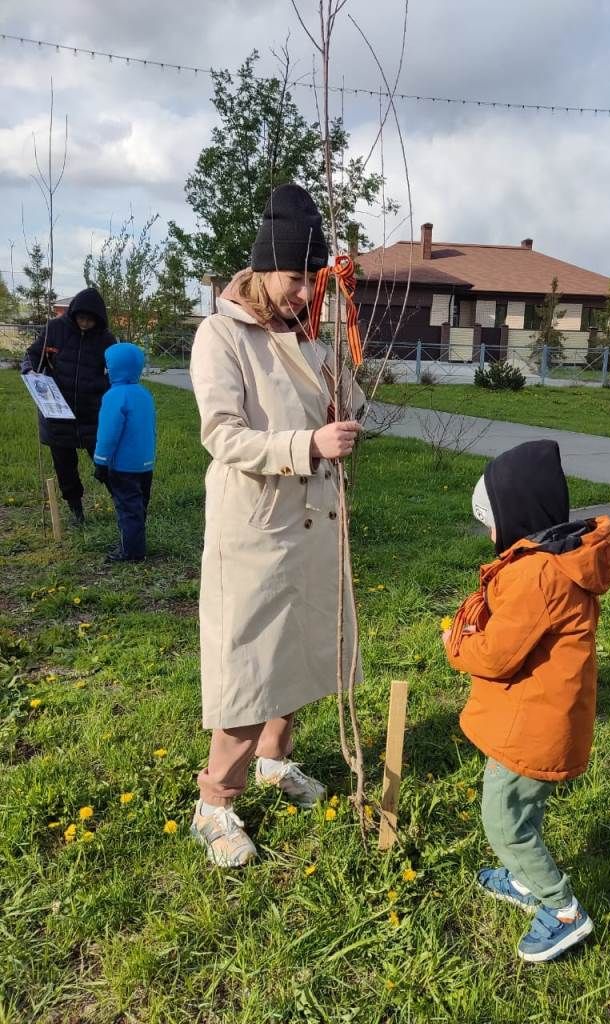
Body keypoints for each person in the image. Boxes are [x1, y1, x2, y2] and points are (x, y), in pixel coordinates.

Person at [188, 183, 365, 867]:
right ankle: (215, 802)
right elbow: (223, 436)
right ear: (264, 267)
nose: (302, 291)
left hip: (314, 522)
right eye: (296, 278)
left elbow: (331, 414)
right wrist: (307, 447)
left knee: (302, 652)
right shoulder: (220, 335)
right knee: (250, 665)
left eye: (311, 279)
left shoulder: (304, 337)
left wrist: (344, 402)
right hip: (257, 529)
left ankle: (274, 760)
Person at [442, 441, 610, 962]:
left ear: (516, 512)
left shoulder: (537, 575)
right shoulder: (552, 561)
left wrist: (456, 640)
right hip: (540, 715)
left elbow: (496, 655)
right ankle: (525, 880)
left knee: (503, 820)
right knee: (520, 812)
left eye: (492, 522)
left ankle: (562, 910)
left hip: (534, 726)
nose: (491, 536)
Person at [21, 288, 115, 524]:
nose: (85, 323)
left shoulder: (106, 339)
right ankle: (76, 510)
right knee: (65, 467)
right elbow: (33, 354)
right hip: (57, 412)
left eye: (90, 319)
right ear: (73, 314)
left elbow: (115, 372)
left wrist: (101, 384)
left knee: (106, 461)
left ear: (99, 319)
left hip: (91, 411)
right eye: (81, 317)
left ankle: (123, 503)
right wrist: (30, 370)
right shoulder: (54, 329)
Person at [92, 343, 156, 563]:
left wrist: (101, 461)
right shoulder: (144, 394)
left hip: (122, 465)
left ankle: (132, 552)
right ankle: (132, 541)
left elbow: (108, 433)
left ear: (114, 368)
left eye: (108, 366)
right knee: (139, 506)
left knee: (127, 509)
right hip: (145, 464)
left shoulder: (114, 396)